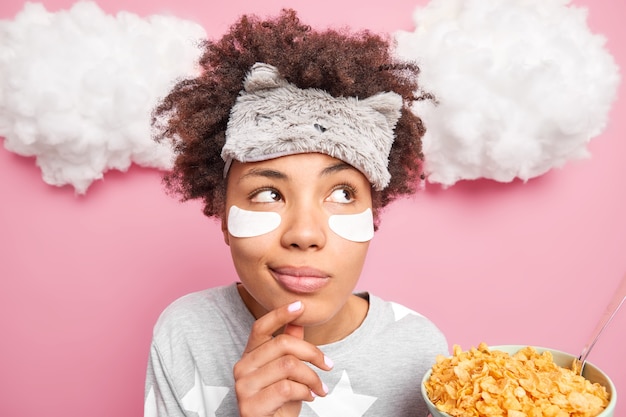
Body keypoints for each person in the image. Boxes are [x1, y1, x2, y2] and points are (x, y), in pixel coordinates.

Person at [144, 9, 448, 417]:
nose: (305, 233)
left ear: (373, 217)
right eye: (268, 193)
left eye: (342, 193)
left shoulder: (420, 350)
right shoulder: (187, 333)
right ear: (223, 218)